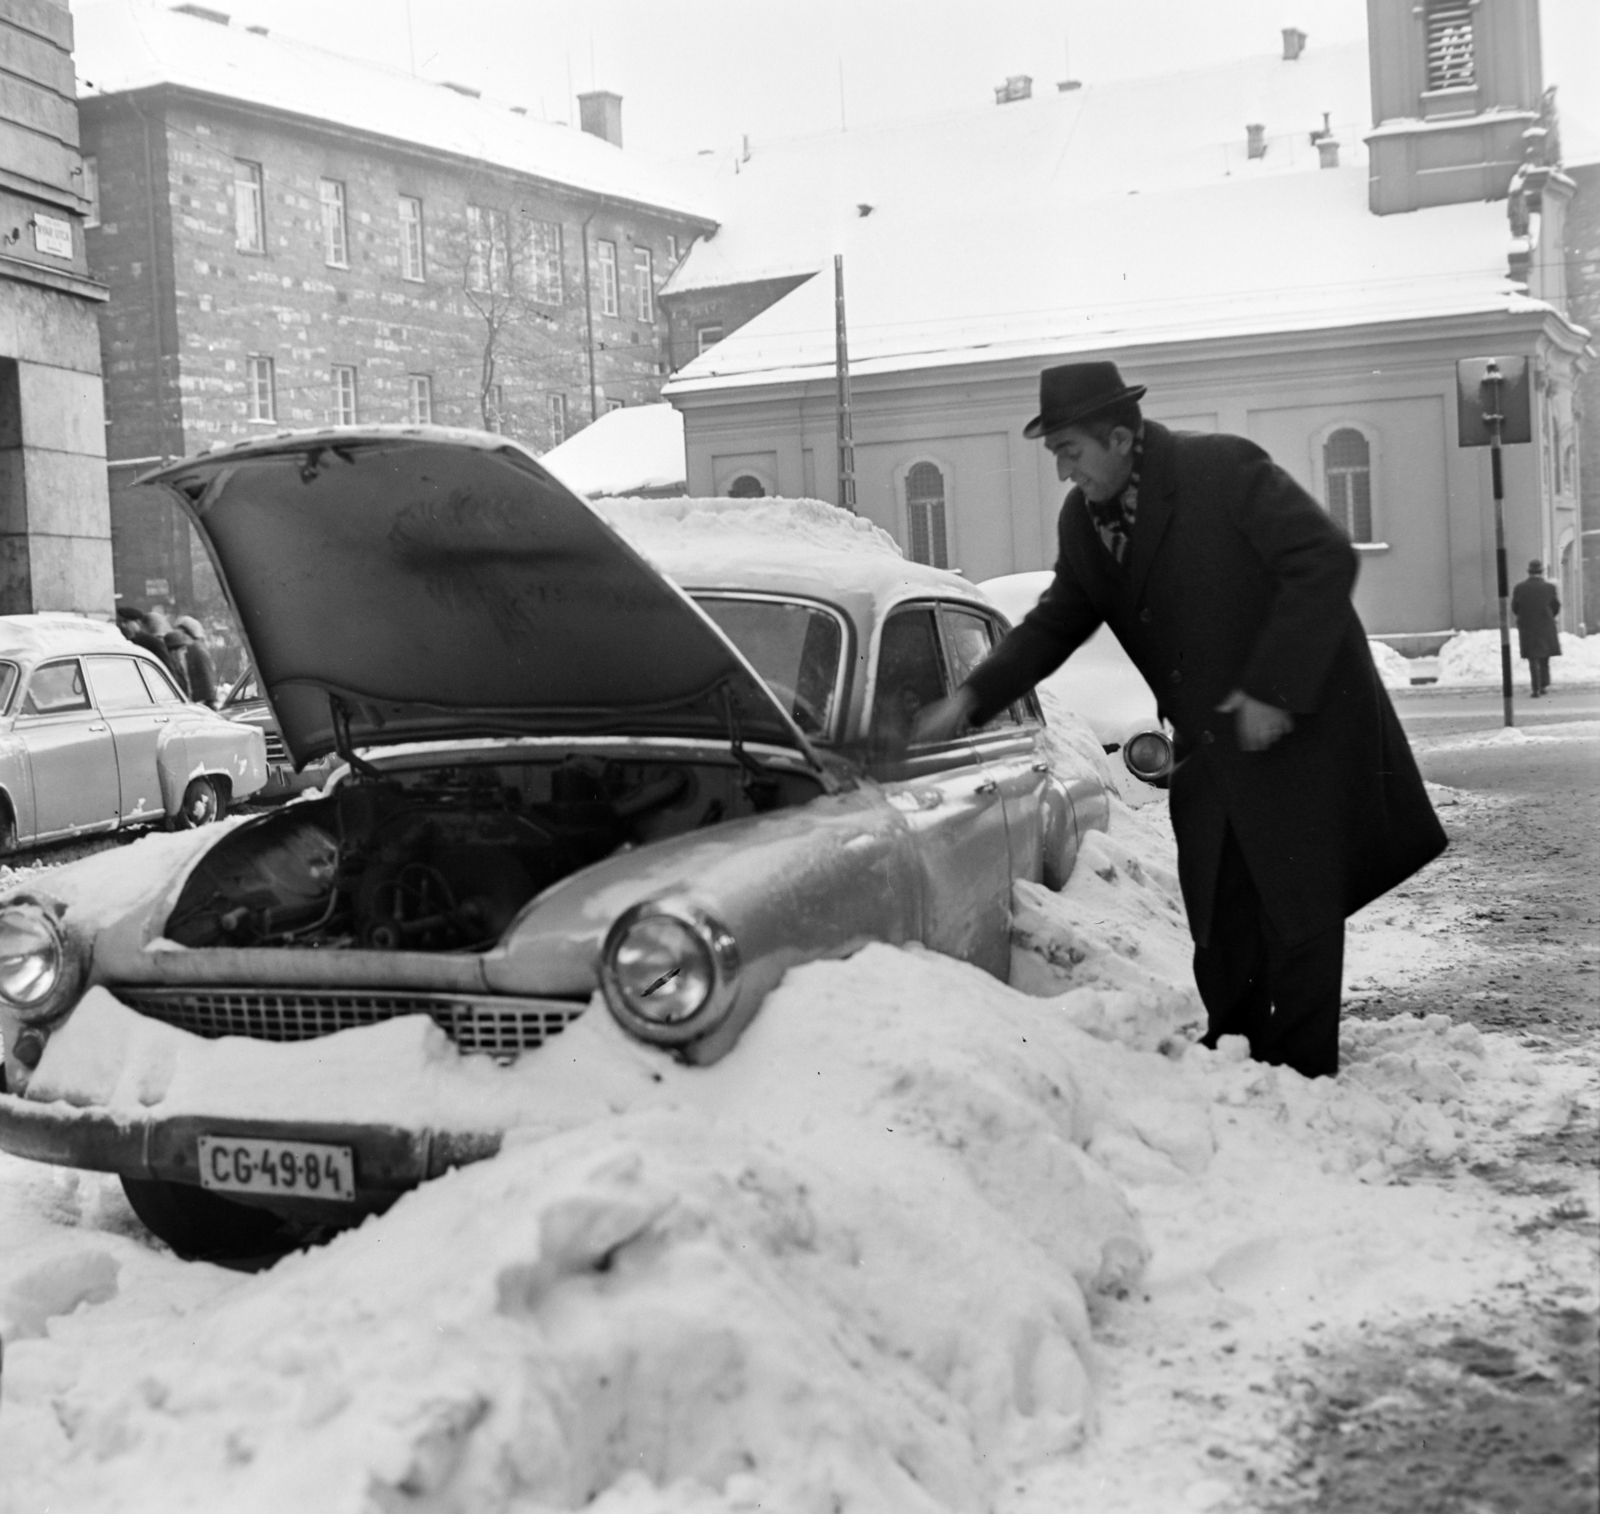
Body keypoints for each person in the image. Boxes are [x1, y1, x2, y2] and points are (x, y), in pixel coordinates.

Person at [914, 360, 1447, 1079]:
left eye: (1071, 451)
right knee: (1216, 887)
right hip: (1210, 732)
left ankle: (1304, 1070)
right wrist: (970, 699)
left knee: (1297, 897)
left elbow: (1320, 557)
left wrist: (1273, 689)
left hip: (1297, 718)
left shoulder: (1222, 469)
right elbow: (1055, 623)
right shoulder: (1085, 522)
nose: (1065, 471)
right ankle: (1236, 1046)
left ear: (1121, 438)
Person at [1510, 559, 1561, 698]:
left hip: (1527, 626)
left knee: (1533, 657)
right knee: (1545, 656)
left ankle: (1535, 688)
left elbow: (1515, 608)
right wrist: (1548, 616)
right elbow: (1556, 606)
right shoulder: (1549, 588)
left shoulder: (1519, 588)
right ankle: (1544, 684)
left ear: (1529, 572)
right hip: (1545, 625)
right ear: (1542, 572)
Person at [174, 614, 220, 707]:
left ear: (188, 633)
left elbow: (207, 679)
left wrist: (209, 701)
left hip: (201, 703)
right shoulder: (189, 649)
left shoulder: (197, 650)